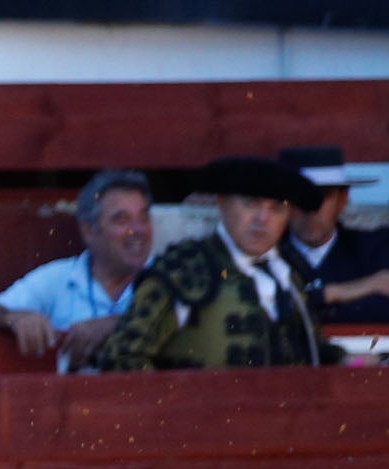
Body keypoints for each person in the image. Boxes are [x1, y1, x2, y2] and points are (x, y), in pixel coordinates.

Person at [88, 156, 324, 368]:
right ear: (222, 203)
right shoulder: (184, 268)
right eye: (251, 203)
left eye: (276, 209)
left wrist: (348, 361)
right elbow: (122, 358)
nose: (263, 219)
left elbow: (314, 351)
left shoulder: (289, 274)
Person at [0, 167, 153, 364]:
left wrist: (117, 325)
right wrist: (14, 319)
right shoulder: (59, 278)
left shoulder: (167, 274)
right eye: (122, 220)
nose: (138, 230)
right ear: (89, 230)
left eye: (143, 218)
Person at [277, 149, 389, 324]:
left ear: (342, 199)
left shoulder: (376, 246)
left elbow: (387, 312)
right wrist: (336, 292)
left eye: (321, 196)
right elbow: (259, 310)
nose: (311, 210)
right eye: (301, 197)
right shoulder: (266, 253)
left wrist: (307, 302)